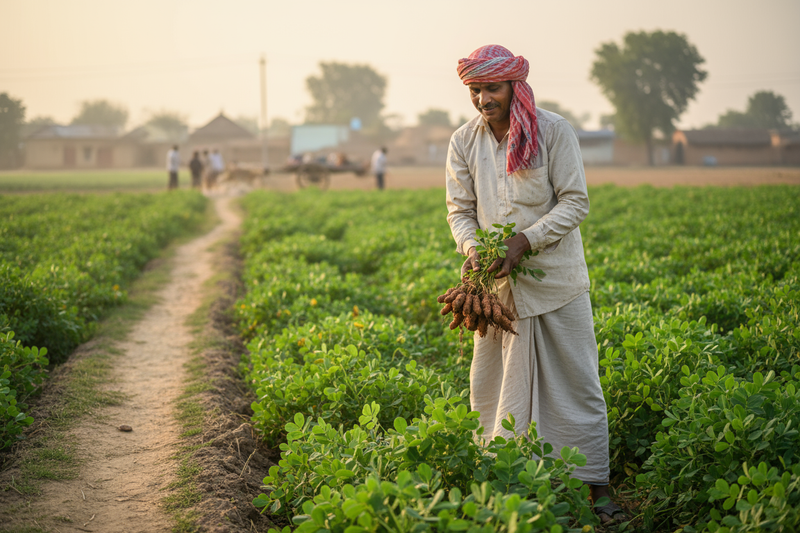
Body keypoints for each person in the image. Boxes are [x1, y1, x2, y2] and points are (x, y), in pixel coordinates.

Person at [444, 44, 626, 524]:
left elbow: (575, 201)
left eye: (492, 88)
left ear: (514, 87)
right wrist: (473, 250)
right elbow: (459, 211)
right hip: (498, 293)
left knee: (578, 384)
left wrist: (525, 241)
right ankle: (506, 485)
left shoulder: (553, 131)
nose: (484, 99)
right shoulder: (464, 141)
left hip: (558, 284)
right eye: (476, 89)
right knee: (493, 389)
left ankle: (597, 490)